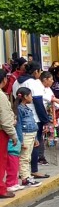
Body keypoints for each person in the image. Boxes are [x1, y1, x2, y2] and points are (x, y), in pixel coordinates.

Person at [15, 87, 40, 188]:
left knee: (27, 157)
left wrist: (36, 138)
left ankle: (27, 176)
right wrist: (21, 141)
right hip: (26, 135)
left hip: (31, 135)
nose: (32, 97)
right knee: (24, 158)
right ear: (25, 97)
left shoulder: (26, 108)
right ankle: (25, 178)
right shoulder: (20, 109)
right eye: (30, 95)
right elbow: (19, 125)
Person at [0, 69, 19, 198]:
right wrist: (13, 135)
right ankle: (1, 189)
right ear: (4, 80)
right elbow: (5, 119)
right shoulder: (1, 96)